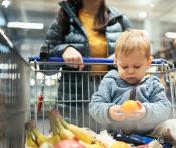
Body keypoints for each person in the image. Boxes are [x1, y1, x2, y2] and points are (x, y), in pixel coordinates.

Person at [43, 0, 131, 128]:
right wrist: (63, 50)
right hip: (74, 98)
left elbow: (136, 49)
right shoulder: (65, 17)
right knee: (72, 142)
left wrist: (123, 53)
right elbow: (45, 66)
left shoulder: (120, 20)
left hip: (111, 93)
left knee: (109, 141)